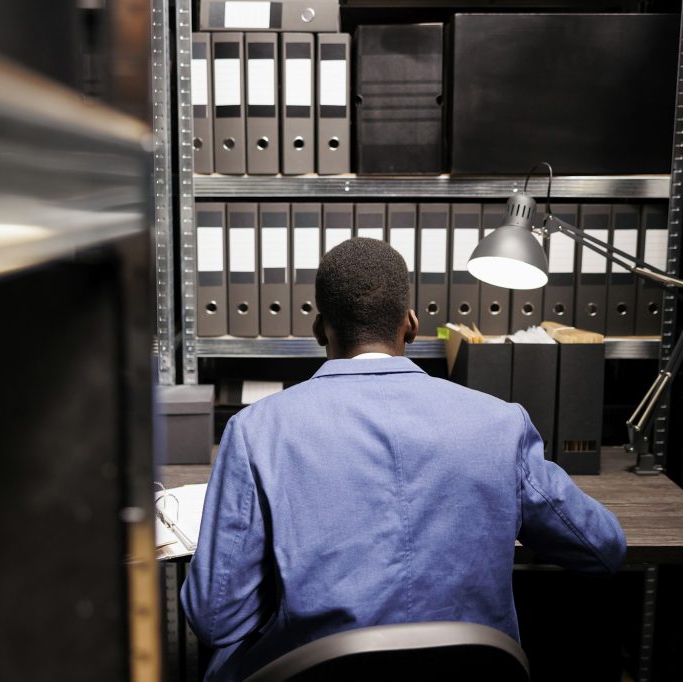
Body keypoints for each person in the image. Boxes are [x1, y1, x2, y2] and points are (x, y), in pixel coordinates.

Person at [181, 237, 626, 680]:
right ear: (411, 325)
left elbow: (214, 619)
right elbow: (603, 548)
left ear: (319, 330)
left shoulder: (256, 430)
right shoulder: (501, 423)